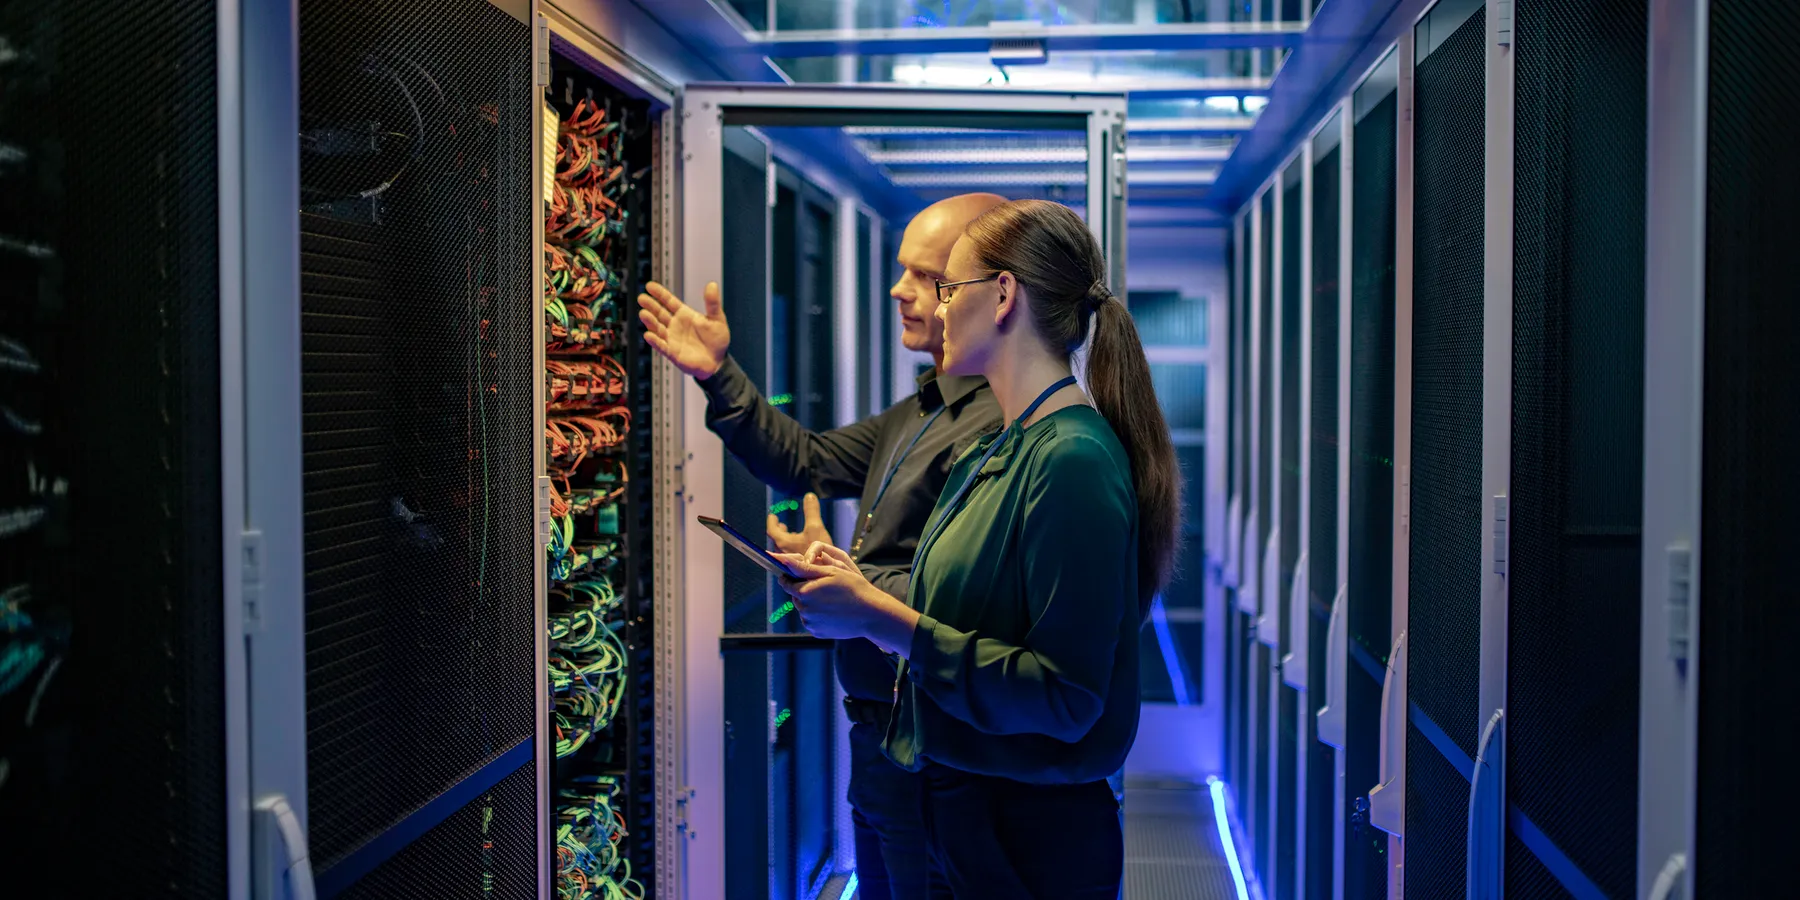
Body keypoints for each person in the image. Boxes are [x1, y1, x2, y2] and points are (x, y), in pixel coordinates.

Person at [772, 199, 1181, 900]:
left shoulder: (1072, 459)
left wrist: (876, 617)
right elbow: (970, 617)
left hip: (1027, 839)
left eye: (947, 289)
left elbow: (1064, 697)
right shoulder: (1004, 446)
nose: (934, 307)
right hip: (966, 812)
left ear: (1001, 297)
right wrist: (851, 583)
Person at [635, 193, 1008, 900]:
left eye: (923, 276)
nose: (898, 290)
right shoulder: (924, 409)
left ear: (990, 292)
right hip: (879, 740)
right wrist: (717, 375)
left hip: (932, 748)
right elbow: (805, 461)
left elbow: (965, 597)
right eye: (901, 271)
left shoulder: (994, 426)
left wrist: (849, 581)